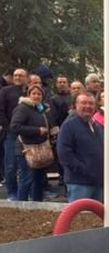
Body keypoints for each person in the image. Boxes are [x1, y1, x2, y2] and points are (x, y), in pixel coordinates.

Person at [57, 92, 104, 202]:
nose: (88, 106)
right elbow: (64, 154)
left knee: (97, 218)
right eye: (83, 103)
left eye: (91, 103)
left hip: (98, 182)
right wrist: (84, 170)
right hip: (79, 183)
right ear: (76, 105)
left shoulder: (98, 127)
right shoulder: (69, 125)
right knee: (80, 217)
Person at [10, 85, 52, 201]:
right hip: (26, 149)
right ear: (28, 95)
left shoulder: (41, 109)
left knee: (38, 180)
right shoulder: (22, 108)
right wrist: (37, 130)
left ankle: (37, 205)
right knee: (27, 179)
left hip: (40, 149)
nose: (36, 96)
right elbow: (14, 127)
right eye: (33, 93)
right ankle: (21, 206)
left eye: (39, 94)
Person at [0, 68, 28, 200]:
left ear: (26, 78)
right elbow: (1, 111)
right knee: (10, 165)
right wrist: (9, 127)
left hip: (28, 133)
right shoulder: (5, 91)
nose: (17, 77)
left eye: (21, 75)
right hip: (11, 134)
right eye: (15, 75)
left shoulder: (29, 92)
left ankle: (25, 192)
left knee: (27, 165)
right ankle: (12, 192)